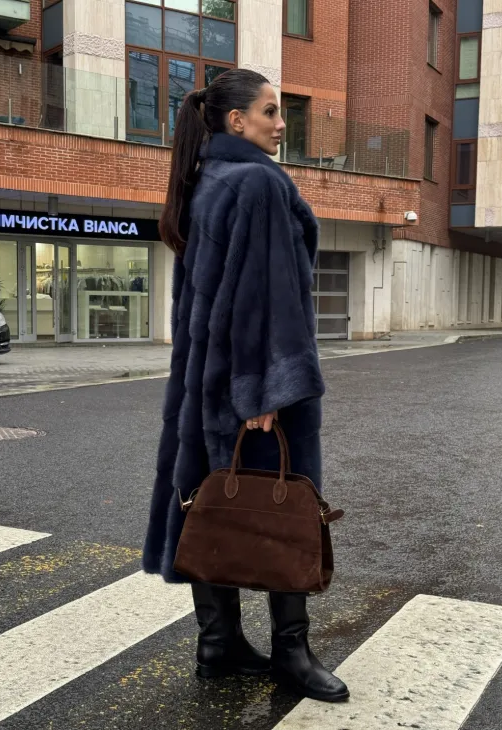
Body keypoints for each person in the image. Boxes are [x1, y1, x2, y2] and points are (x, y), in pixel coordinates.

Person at [142, 69, 349, 704]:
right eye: (270, 111)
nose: (282, 124)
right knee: (283, 507)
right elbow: (268, 295)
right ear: (237, 120)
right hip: (253, 386)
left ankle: (219, 644)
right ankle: (291, 651)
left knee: (208, 501)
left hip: (205, 381)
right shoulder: (258, 182)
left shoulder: (203, 180)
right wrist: (266, 390)